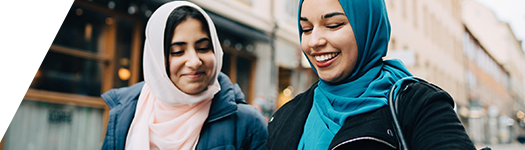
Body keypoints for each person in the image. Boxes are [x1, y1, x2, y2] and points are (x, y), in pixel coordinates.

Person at [265, 0, 476, 149]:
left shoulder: (418, 105)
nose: (314, 41)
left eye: (333, 25)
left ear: (368, 26)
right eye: (307, 29)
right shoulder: (287, 115)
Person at [100, 1, 267, 150]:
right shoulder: (124, 113)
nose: (194, 62)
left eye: (203, 48)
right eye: (177, 52)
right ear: (156, 60)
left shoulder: (247, 124)